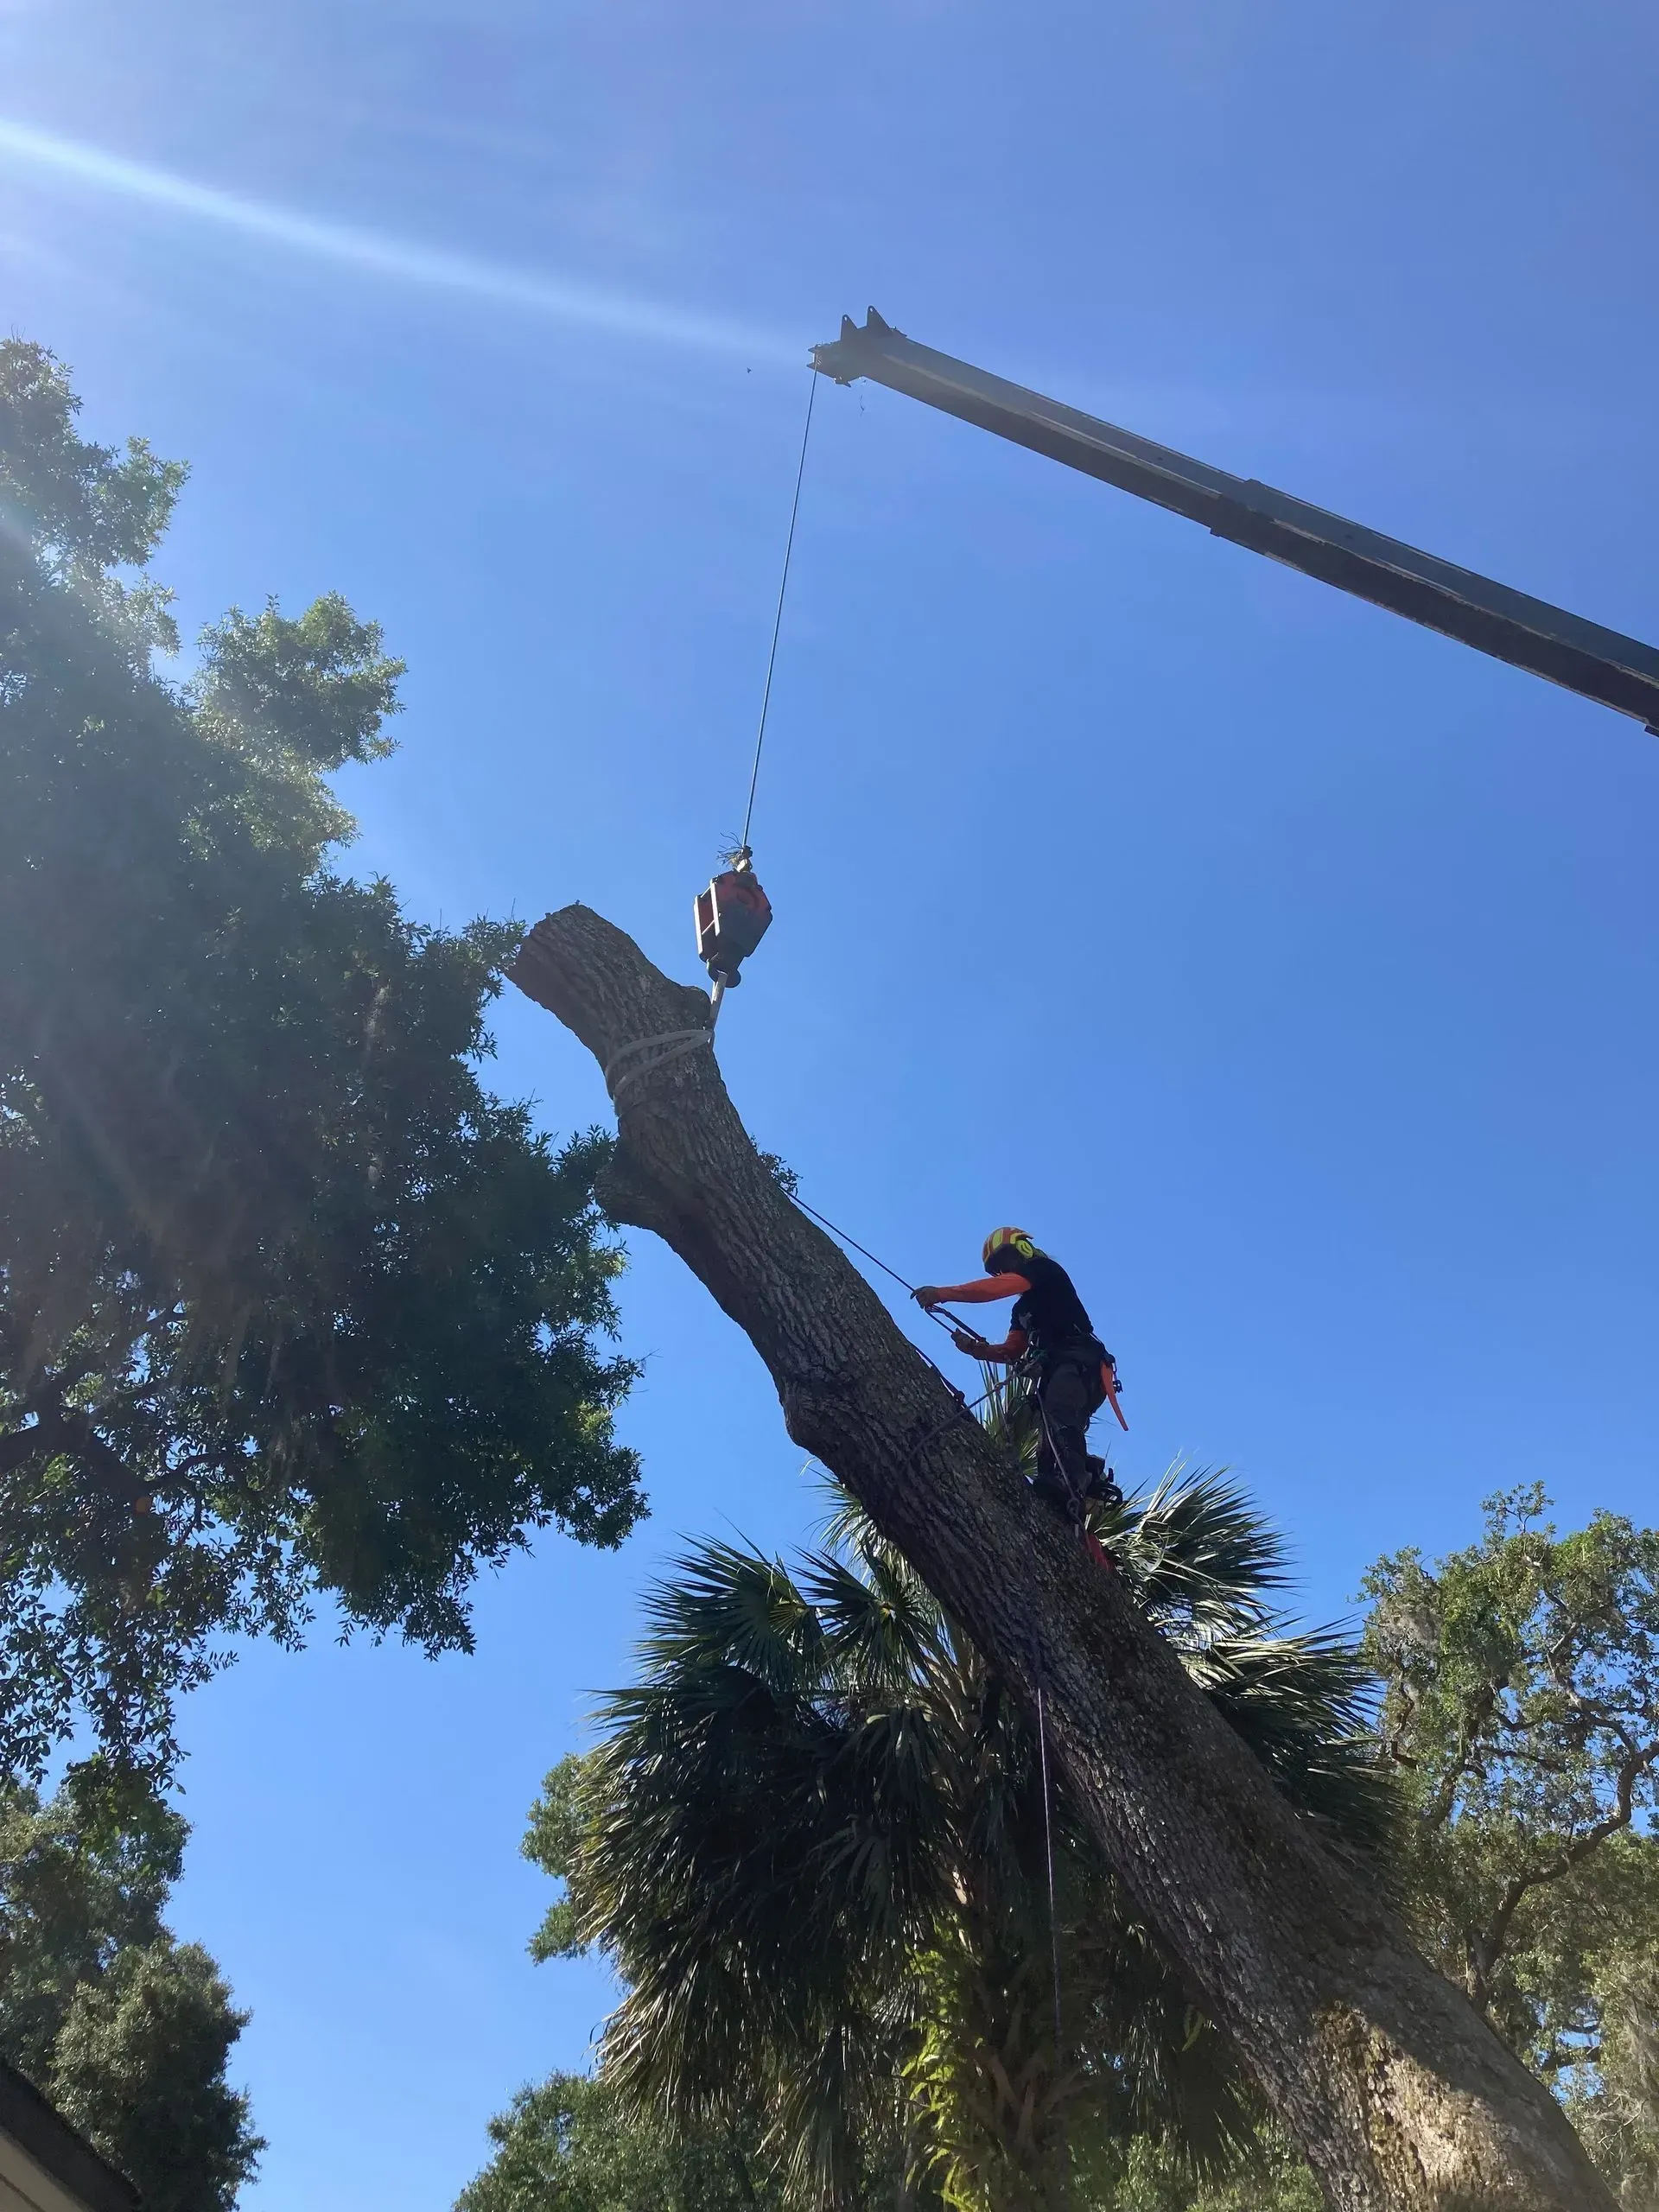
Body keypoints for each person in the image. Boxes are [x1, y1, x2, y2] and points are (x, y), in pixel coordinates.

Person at [913, 1229, 1123, 1522]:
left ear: (1024, 1250)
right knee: (1048, 1426)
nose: (1003, 1271)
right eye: (997, 1268)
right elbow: (1013, 1349)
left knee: (1060, 1412)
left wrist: (944, 1293)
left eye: (1006, 1260)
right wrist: (978, 1350)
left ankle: (1073, 1483)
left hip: (1079, 1361)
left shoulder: (1044, 1270)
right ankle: (1069, 1485)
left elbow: (996, 1288)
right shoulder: (1022, 1309)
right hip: (1055, 1370)